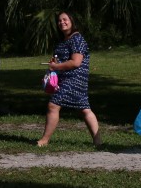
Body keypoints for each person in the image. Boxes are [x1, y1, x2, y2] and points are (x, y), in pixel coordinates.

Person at [37, 11, 102, 148]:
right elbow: (60, 60)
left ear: (72, 21)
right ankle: (98, 142)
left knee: (53, 105)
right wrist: (53, 66)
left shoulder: (77, 39)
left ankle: (44, 140)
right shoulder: (63, 40)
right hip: (64, 77)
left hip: (75, 78)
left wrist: (56, 66)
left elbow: (76, 62)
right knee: (84, 109)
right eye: (59, 20)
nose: (62, 22)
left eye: (65, 19)